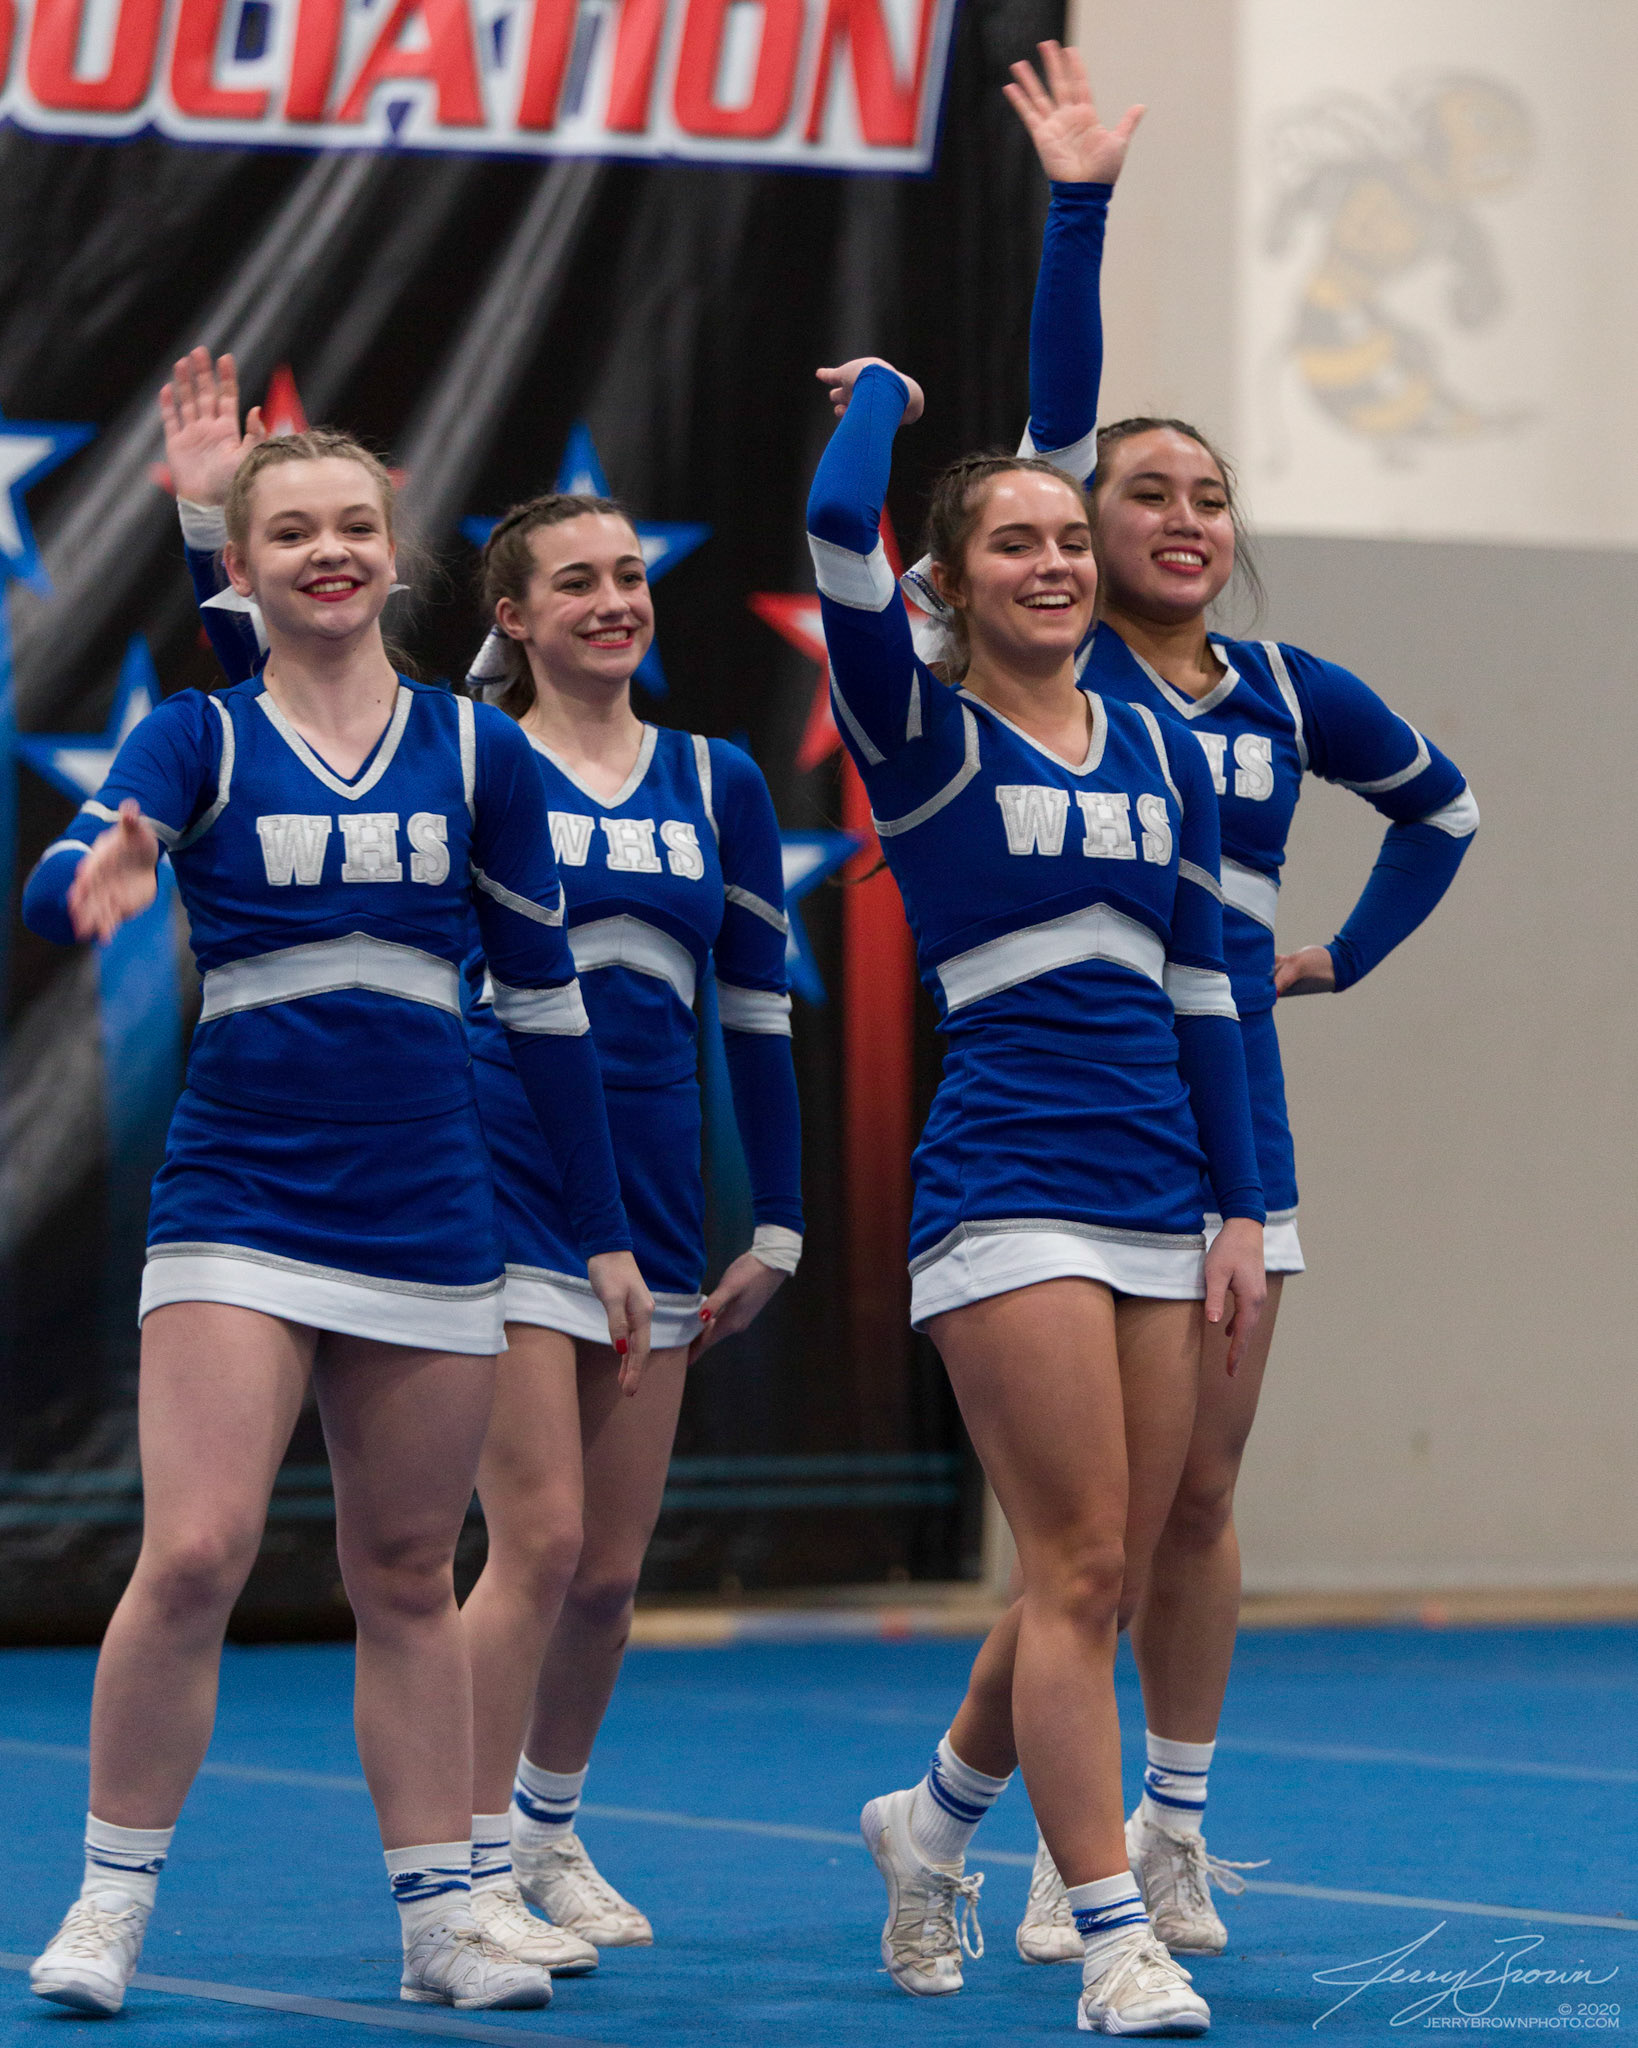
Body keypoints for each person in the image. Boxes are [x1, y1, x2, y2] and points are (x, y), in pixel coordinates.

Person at [916, 44, 1480, 1971]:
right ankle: (1037, 1846)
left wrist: (1340, 956)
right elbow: (1047, 424)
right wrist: (1079, 208)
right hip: (1062, 1102)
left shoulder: (1280, 688)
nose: (1174, 518)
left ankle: (1158, 1828)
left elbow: (1447, 811)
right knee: (1084, 1538)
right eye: (1138, 492)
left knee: (1192, 1499)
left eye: (1206, 498)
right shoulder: (1059, 675)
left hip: (1226, 1110)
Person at [158, 357, 803, 1965]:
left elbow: (755, 1005)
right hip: (487, 1178)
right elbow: (262, 699)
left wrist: (780, 1218)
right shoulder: (459, 750)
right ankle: (466, 1867)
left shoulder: (712, 779)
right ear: (507, 614)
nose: (613, 601)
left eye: (629, 575)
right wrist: (203, 516)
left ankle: (548, 1830)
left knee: (609, 1572)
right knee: (542, 1541)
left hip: (646, 1196)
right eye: (574, 581)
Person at [22, 426, 652, 2017]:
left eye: (355, 526)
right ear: (239, 568)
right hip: (240, 1199)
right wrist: (97, 872)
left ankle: (439, 1920)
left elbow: (547, 1006)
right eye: (292, 530)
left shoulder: (476, 751)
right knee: (197, 1552)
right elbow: (69, 867)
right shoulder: (199, 735)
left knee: (406, 1573)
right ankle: (108, 1904)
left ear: (395, 551)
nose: (330, 552)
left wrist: (600, 1234)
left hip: (431, 1208)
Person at [807, 272, 1267, 2037]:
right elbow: (839, 527)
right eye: (1014, 542)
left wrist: (1239, 1208)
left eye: (1070, 538)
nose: (1057, 561)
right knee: (1073, 1568)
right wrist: (882, 398)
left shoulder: (1158, 741)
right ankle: (1110, 1933)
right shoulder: (917, 729)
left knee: (1106, 1571)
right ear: (953, 582)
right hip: (1008, 1187)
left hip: (1160, 1189)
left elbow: (1206, 988)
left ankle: (928, 1827)